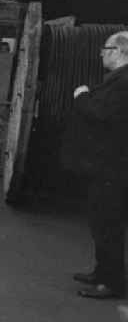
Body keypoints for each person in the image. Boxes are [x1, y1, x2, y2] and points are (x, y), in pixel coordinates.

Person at [64, 31, 128, 299]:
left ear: (119, 51)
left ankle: (112, 283)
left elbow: (101, 113)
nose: (101, 52)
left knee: (108, 224)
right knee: (100, 220)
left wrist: (81, 96)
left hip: (114, 166)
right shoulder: (118, 80)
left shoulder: (124, 82)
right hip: (107, 165)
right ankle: (102, 272)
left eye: (106, 48)